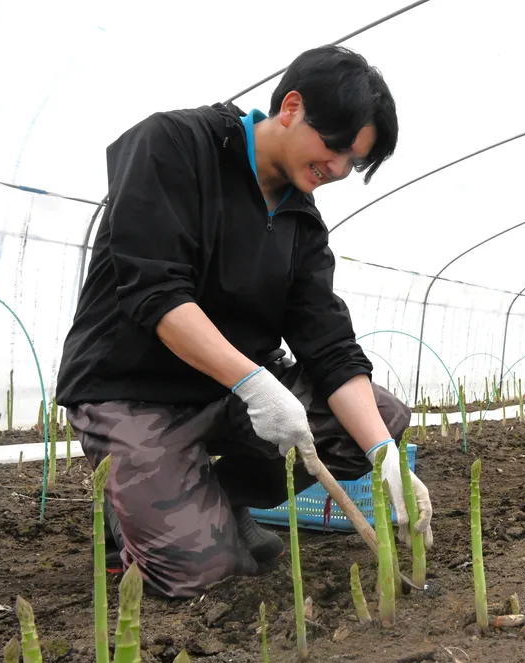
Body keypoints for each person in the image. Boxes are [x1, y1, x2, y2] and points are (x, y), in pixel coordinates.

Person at [55, 45, 433, 599]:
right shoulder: (173, 146)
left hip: (231, 398)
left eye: (353, 163)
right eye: (334, 148)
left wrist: (385, 458)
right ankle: (132, 516)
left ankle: (213, 498)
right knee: (203, 573)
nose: (336, 170)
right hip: (132, 390)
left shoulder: (301, 221)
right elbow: (156, 294)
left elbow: (328, 347)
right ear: (292, 107)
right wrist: (253, 381)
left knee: (376, 417)